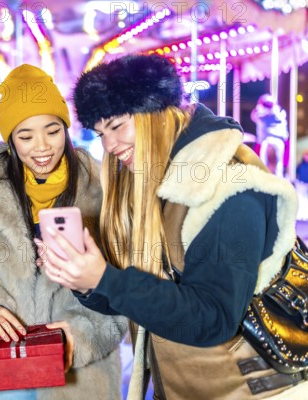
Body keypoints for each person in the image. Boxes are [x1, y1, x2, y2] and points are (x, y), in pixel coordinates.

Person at [40, 54, 305, 399]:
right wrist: (84, 279)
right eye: (100, 132)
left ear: (157, 114)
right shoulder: (151, 180)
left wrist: (105, 279)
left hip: (251, 390)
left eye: (117, 126)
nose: (108, 145)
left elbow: (212, 318)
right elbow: (143, 296)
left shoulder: (230, 184)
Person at [0, 64, 126, 400]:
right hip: (8, 363)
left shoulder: (102, 187)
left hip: (81, 375)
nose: (41, 147)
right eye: (26, 136)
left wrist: (79, 334)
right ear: (11, 140)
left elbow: (124, 283)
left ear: (66, 128)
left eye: (52, 130)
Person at [251, 93, 289, 177]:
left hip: (268, 140)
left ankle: (265, 179)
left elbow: (254, 116)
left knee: (264, 163)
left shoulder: (261, 113)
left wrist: (259, 108)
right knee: (279, 163)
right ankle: (279, 179)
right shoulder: (279, 113)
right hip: (278, 141)